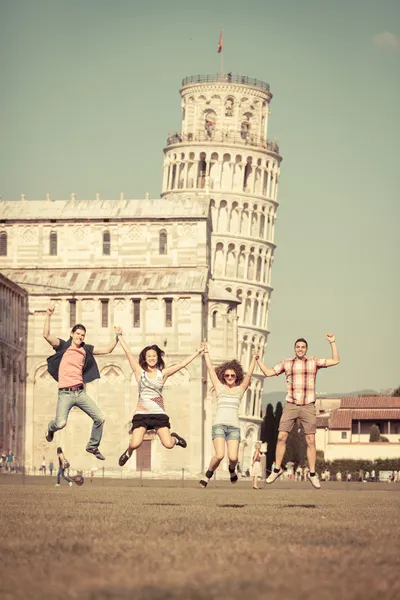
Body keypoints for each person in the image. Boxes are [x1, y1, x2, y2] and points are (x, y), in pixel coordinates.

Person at [257, 334, 339, 489]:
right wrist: (257, 359)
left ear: (306, 349)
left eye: (303, 347)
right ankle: (276, 470)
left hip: (308, 406)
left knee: (311, 440)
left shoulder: (314, 362)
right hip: (291, 405)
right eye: (298, 347)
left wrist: (332, 342)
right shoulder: (287, 363)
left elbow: (335, 360)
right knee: (281, 437)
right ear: (294, 349)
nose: (300, 349)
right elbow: (268, 373)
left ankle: (313, 474)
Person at [117, 328, 203, 466]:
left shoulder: (162, 373)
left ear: (158, 358)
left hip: (158, 414)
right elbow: (128, 353)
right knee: (135, 443)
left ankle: (175, 438)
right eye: (149, 356)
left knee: (168, 444)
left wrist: (197, 352)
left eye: (154, 356)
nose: (151, 358)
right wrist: (119, 336)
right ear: (145, 358)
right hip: (142, 414)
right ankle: (128, 453)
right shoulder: (139, 372)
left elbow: (182, 364)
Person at [43, 305, 119, 460]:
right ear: (72, 334)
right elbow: (46, 335)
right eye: (78, 334)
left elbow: (107, 350)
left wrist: (117, 336)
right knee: (60, 424)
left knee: (100, 418)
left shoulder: (86, 349)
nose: (80, 337)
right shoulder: (63, 345)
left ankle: (92, 446)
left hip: (80, 392)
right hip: (65, 393)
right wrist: (48, 315)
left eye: (83, 335)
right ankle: (50, 429)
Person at [199, 344, 257, 488]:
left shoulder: (239, 390)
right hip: (219, 426)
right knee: (219, 455)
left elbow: (249, 375)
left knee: (233, 457)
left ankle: (232, 469)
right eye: (227, 375)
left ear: (236, 376)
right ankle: (208, 475)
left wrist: (254, 359)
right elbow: (211, 370)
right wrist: (206, 352)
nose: (230, 377)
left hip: (234, 428)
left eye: (232, 375)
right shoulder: (220, 388)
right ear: (223, 377)